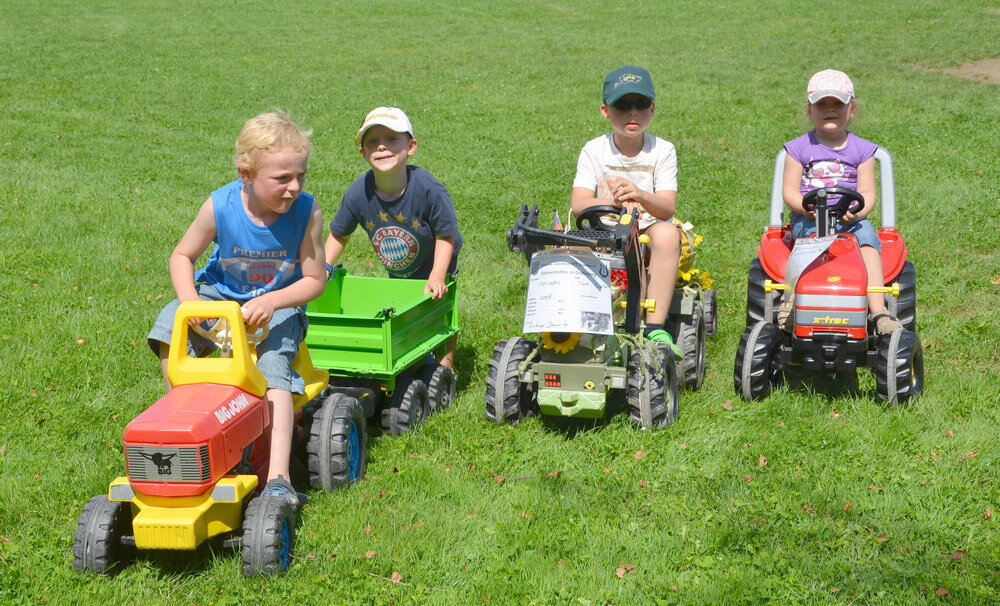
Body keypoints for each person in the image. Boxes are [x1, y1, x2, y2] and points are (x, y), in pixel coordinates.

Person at [147, 111, 326, 507]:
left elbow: (315, 280)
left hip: (278, 304)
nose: (294, 187)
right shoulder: (221, 205)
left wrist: (273, 300)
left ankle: (278, 478)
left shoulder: (307, 212)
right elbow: (182, 255)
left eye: (301, 175)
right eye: (282, 178)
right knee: (167, 327)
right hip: (219, 297)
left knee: (273, 370)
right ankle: (189, 434)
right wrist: (192, 307)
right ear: (246, 172)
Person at [325, 106, 462, 369]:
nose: (382, 147)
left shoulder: (429, 190)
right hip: (401, 262)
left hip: (437, 255)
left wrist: (437, 275)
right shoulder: (358, 193)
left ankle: (446, 364)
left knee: (440, 304)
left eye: (391, 139)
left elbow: (446, 236)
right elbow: (338, 235)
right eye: (373, 142)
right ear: (363, 153)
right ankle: (414, 352)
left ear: (410, 146)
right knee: (404, 305)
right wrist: (323, 267)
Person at [571, 65, 683, 358]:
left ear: (653, 109)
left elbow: (667, 207)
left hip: (649, 223)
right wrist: (611, 205)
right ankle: (581, 316)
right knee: (572, 242)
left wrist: (641, 195)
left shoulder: (662, 150)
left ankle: (656, 324)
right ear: (605, 111)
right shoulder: (594, 150)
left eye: (641, 104)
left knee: (668, 235)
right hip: (606, 225)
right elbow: (579, 202)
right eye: (623, 105)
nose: (633, 113)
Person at [780, 69, 903, 335]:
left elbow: (868, 194)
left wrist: (857, 214)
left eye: (838, 103)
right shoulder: (798, 148)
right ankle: (792, 302)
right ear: (809, 110)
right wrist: (805, 207)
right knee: (808, 243)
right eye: (821, 104)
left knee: (868, 241)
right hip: (809, 217)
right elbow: (789, 191)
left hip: (851, 220)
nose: (830, 110)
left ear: (852, 109)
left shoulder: (863, 150)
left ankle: (878, 310)